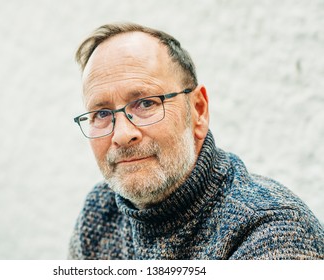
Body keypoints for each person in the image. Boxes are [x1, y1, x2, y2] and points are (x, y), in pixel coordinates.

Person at [68, 22, 324, 260]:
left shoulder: (272, 231)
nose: (122, 135)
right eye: (101, 113)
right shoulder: (100, 212)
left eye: (146, 103)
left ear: (198, 110)